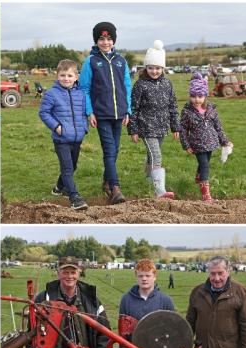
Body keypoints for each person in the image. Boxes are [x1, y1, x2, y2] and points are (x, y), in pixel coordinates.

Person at [80, 22, 132, 205]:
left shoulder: (121, 61)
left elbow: (127, 86)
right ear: (96, 40)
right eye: (101, 39)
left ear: (114, 40)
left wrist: (128, 110)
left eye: (109, 38)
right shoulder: (91, 61)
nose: (105, 42)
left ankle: (106, 181)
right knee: (109, 151)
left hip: (120, 114)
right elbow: (84, 89)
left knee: (114, 150)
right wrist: (89, 112)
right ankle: (115, 188)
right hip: (101, 114)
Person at [128, 40, 180, 199]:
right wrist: (133, 130)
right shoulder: (140, 85)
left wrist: (175, 127)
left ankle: (148, 178)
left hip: (162, 127)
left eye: (157, 68)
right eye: (151, 68)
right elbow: (134, 108)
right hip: (146, 127)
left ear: (162, 68)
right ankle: (160, 191)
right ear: (146, 68)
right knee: (157, 156)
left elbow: (173, 106)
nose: (154, 71)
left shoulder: (167, 84)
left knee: (152, 155)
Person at [39, 59, 89, 210]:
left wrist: (84, 128)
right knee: (67, 167)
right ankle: (74, 197)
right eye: (62, 75)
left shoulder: (81, 94)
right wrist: (56, 126)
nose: (66, 79)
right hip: (61, 139)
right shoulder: (51, 94)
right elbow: (44, 113)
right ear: (57, 76)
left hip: (77, 138)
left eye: (69, 75)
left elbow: (83, 114)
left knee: (72, 166)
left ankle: (59, 188)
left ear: (76, 77)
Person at [179, 72, 232, 202]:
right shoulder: (187, 112)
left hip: (211, 143)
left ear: (205, 96)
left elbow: (218, 127)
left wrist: (225, 141)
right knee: (205, 166)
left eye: (200, 96)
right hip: (197, 144)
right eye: (193, 96)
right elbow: (183, 130)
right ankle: (206, 194)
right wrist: (186, 145)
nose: (196, 99)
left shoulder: (211, 110)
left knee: (205, 163)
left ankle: (198, 176)